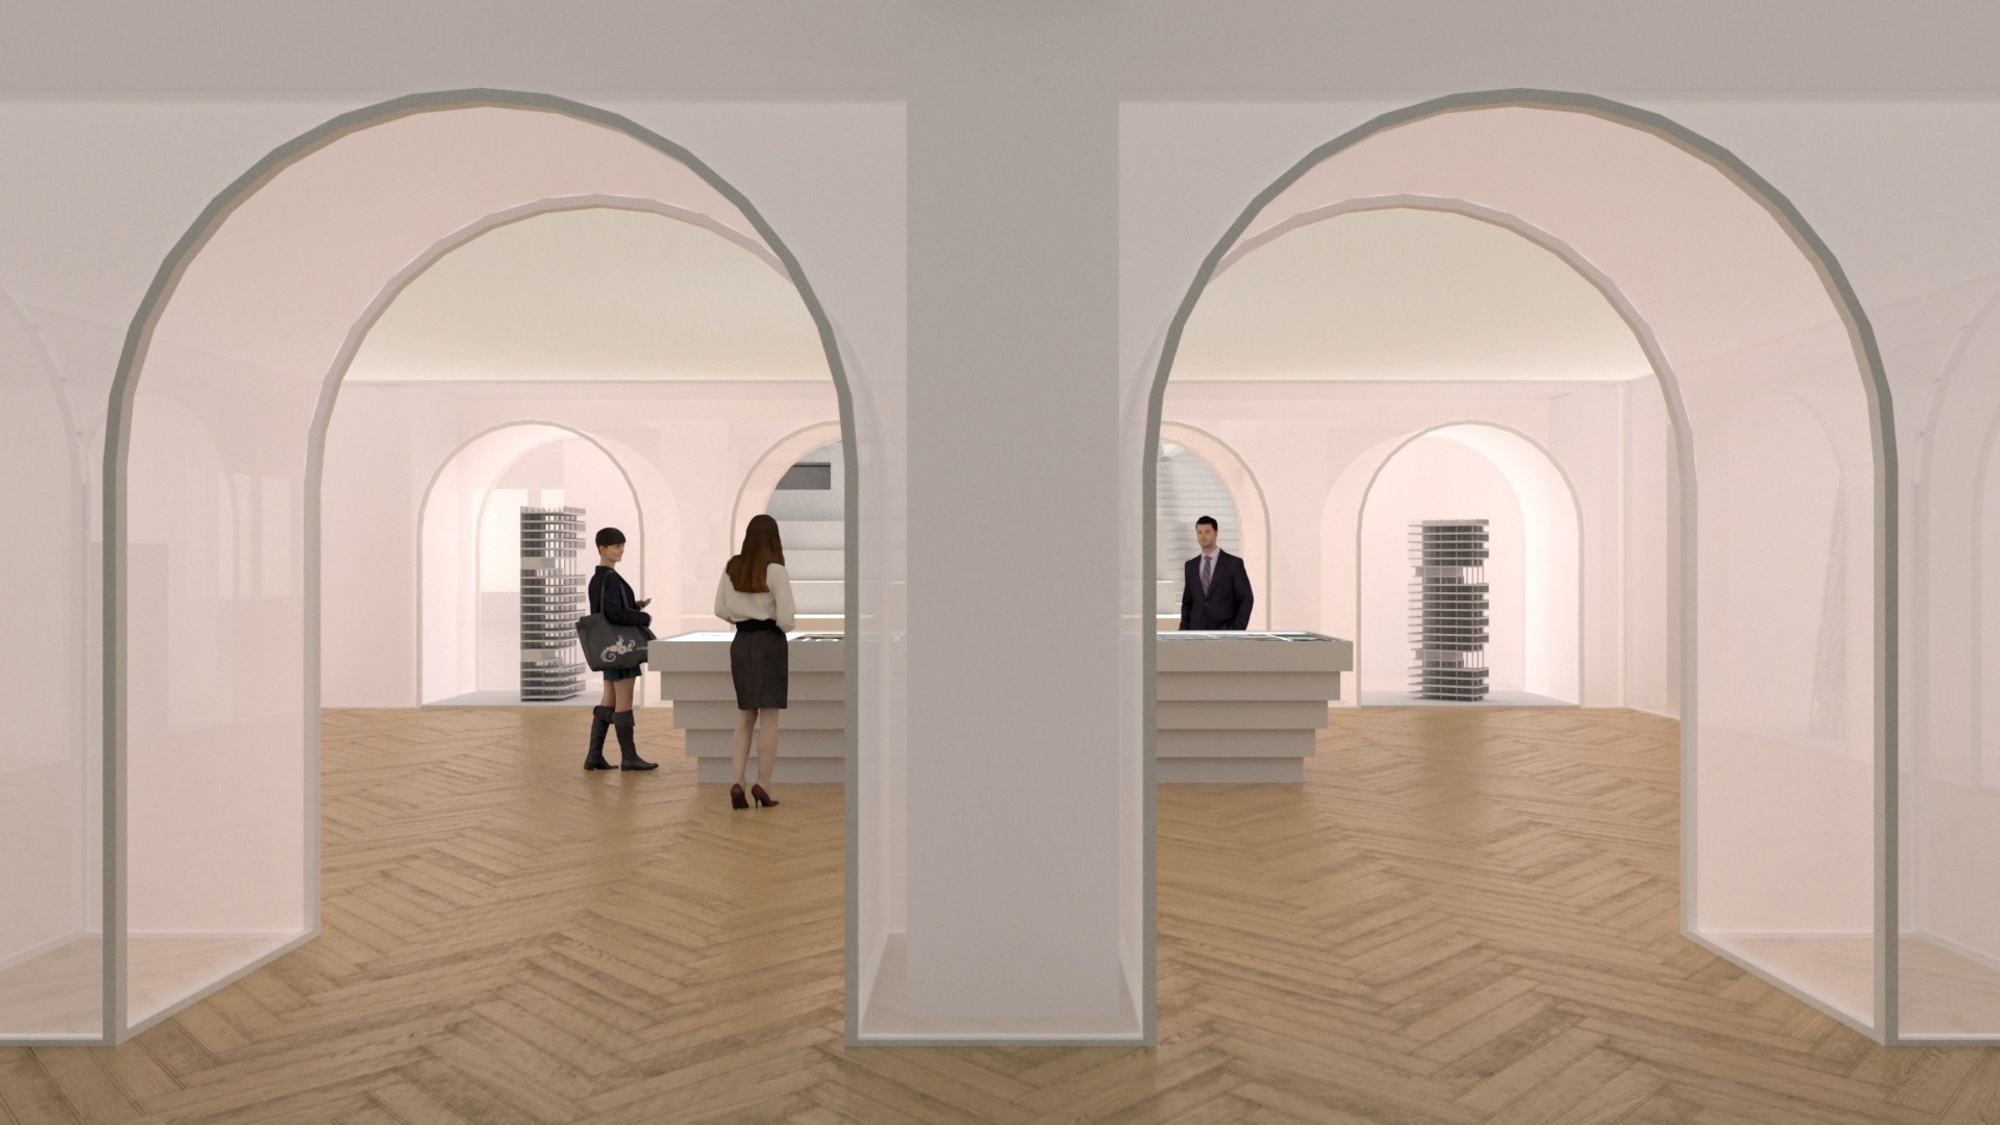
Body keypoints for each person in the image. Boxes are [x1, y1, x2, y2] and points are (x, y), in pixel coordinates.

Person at [715, 514, 796, 809]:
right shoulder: (775, 570)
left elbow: (719, 609)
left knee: (745, 716)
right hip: (769, 643)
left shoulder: (732, 566)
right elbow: (787, 617)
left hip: (741, 643)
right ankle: (763, 784)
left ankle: (737, 781)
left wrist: (741, 618)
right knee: (769, 717)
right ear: (774, 538)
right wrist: (780, 625)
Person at [583, 527, 657, 771]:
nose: (621, 550)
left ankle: (594, 756)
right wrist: (642, 617)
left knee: (609, 699)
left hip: (608, 648)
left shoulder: (597, 579)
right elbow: (614, 614)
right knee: (624, 701)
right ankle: (629, 757)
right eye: (616, 546)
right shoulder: (611, 578)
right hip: (622, 647)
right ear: (602, 549)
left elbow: (604, 611)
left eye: (622, 545)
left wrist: (631, 606)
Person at [1179, 515, 1254, 631]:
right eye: (1199, 532)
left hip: (1226, 633)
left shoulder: (1233, 564)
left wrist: (1237, 628)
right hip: (1196, 634)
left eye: (1207, 532)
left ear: (1215, 533)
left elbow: (1246, 598)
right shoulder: (1190, 566)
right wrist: (1183, 631)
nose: (1203, 536)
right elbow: (1187, 603)